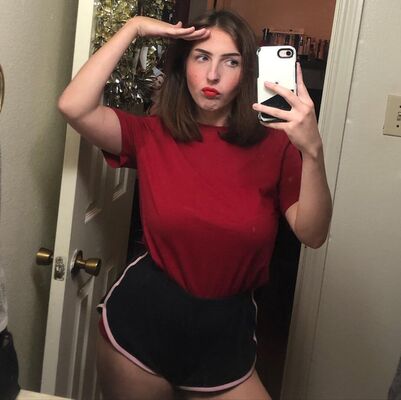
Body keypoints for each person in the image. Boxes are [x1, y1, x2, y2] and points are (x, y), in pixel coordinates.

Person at [58, 9, 332, 400]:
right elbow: (74, 106)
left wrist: (313, 151)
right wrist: (133, 27)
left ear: (247, 73)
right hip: (140, 325)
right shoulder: (152, 134)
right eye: (202, 57)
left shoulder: (276, 146)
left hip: (226, 333)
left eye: (231, 62)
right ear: (183, 65)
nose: (213, 75)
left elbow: (313, 233)